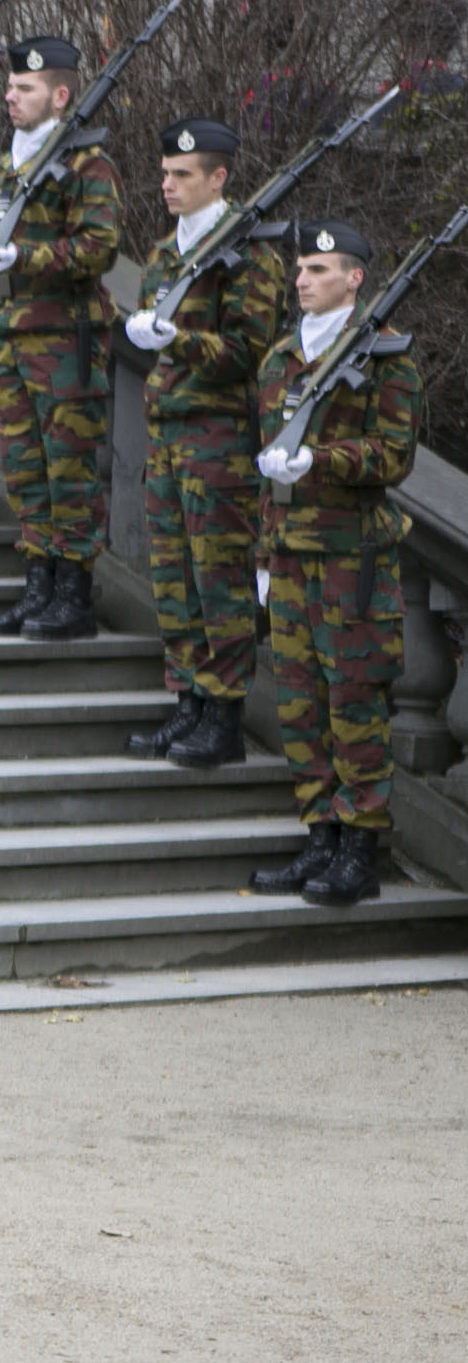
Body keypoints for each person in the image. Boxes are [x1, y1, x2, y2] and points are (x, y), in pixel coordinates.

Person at [248, 222, 418, 907]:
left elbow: (394, 455)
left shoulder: (386, 358)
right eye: (299, 269)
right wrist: (264, 549)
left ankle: (359, 847)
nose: (301, 280)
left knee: (354, 698)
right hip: (289, 555)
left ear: (353, 279)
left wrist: (325, 458)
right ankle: (319, 833)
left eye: (318, 270)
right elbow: (268, 471)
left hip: (353, 558)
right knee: (300, 702)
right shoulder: (279, 359)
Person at [123, 119, 287, 768]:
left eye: (181, 175)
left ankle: (223, 714)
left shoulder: (250, 254)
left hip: (218, 440)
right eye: (164, 173)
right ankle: (188, 700)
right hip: (168, 436)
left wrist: (176, 339)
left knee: (219, 580)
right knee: (174, 578)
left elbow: (251, 352)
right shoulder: (167, 252)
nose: (166, 184)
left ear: (218, 178)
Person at [0, 36, 121, 641]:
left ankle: (74, 596)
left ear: (59, 95)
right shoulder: (12, 162)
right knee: (25, 472)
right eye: (9, 86)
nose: (10, 96)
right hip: (11, 340)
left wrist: (23, 254)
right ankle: (38, 587)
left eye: (24, 88)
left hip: (64, 343)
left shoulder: (87, 164)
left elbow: (98, 248)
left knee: (70, 474)